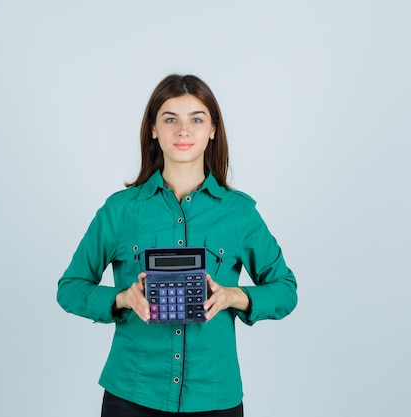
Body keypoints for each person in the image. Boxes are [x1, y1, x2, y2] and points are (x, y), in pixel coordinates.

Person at [57, 74, 297, 417]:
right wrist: (121, 298)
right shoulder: (120, 210)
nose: (183, 130)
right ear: (153, 128)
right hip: (133, 394)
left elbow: (286, 289)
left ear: (213, 129)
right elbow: (70, 287)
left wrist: (234, 296)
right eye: (170, 119)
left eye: (196, 119)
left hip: (214, 396)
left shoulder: (239, 213)